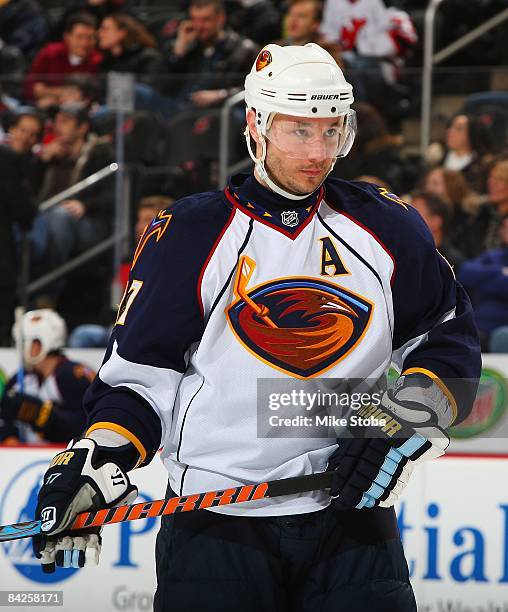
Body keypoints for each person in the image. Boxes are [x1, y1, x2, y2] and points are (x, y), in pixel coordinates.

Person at [32, 44, 481, 611]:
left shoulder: (386, 224)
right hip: (216, 526)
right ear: (256, 123)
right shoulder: (190, 234)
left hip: (354, 525)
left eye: (331, 131)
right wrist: (97, 460)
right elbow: (139, 382)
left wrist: (401, 424)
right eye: (299, 131)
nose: (318, 152)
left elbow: (448, 339)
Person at [0, 309, 95, 444]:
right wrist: (9, 438)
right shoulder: (19, 379)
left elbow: (83, 425)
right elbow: (5, 420)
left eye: (23, 342)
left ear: (38, 345)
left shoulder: (73, 375)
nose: (20, 349)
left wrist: (41, 415)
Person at [164, 0, 258, 112]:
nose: (199, 26)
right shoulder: (188, 47)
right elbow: (163, 85)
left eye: (205, 20)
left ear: (221, 18)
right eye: (194, 20)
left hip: (218, 113)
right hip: (180, 108)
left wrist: (221, 95)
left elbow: (256, 90)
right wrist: (178, 52)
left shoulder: (244, 49)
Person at [0, 110, 43, 344]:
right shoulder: (8, 160)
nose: (25, 137)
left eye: (32, 134)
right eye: (22, 130)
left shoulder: (34, 163)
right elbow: (24, 210)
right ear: (12, 129)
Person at [24, 13, 102, 107]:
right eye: (79, 37)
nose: (84, 43)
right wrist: (62, 93)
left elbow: (92, 94)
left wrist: (49, 92)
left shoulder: (97, 60)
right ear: (67, 36)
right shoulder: (50, 53)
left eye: (90, 37)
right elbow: (31, 87)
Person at [458, 216, 508, 352]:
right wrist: (500, 271)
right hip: (479, 324)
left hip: (501, 325)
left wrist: (483, 282)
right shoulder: (494, 256)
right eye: (504, 227)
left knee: (502, 337)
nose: (505, 231)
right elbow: (465, 272)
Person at [410, 191, 466, 272]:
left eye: (414, 214)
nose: (407, 218)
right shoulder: (406, 255)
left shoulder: (453, 264)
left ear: (436, 222)